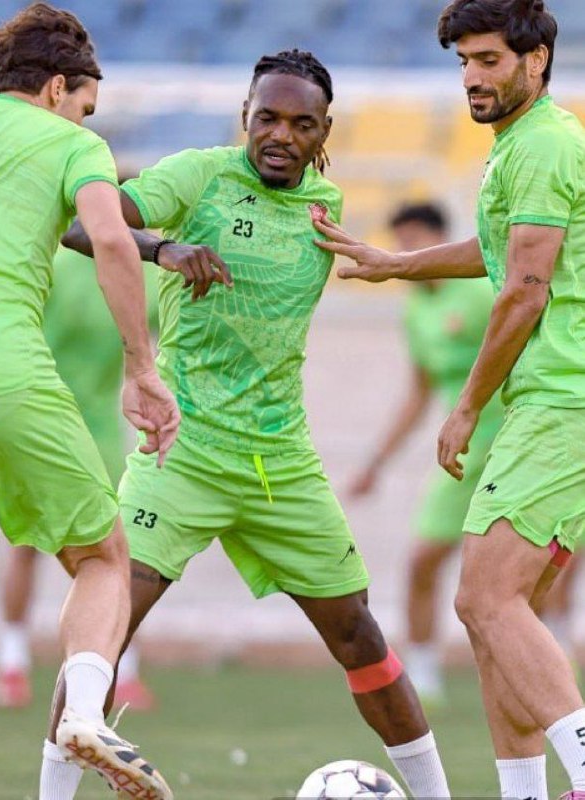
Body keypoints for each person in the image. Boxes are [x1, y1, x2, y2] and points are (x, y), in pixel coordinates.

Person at [56, 48, 452, 800]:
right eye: (267, 117)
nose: (280, 135)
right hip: (182, 454)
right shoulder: (198, 175)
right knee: (103, 639)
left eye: (301, 124)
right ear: (245, 115)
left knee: (360, 635)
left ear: (323, 132)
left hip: (281, 465)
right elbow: (83, 227)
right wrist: (164, 248)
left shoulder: (326, 206)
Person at [313, 2, 585, 799]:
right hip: (552, 397)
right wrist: (398, 265)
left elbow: (524, 288)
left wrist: (465, 405)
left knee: (483, 597)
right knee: (500, 610)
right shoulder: (521, 146)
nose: (470, 76)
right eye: (463, 61)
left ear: (535, 61)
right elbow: (500, 252)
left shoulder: (543, 145)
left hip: (562, 397)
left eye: (488, 60)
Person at [0, 4, 181, 798]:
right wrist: (141, 367)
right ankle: (84, 712)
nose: (86, 119)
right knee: (101, 558)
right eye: (85, 104)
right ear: (55, 88)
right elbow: (110, 238)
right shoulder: (74, 145)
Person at [0, 238, 161, 712]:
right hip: (49, 421)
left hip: (93, 427)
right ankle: (14, 662)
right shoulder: (57, 266)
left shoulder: (139, 273)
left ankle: (109, 670)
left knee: (109, 550)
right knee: (38, 544)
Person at [349, 202, 503, 705]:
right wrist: (375, 464)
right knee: (421, 561)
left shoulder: (480, 291)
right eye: (400, 240)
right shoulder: (417, 309)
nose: (406, 250)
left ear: (440, 238)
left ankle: (538, 661)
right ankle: (423, 671)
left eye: (415, 238)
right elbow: (418, 394)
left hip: (510, 441)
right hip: (461, 454)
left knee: (516, 573)